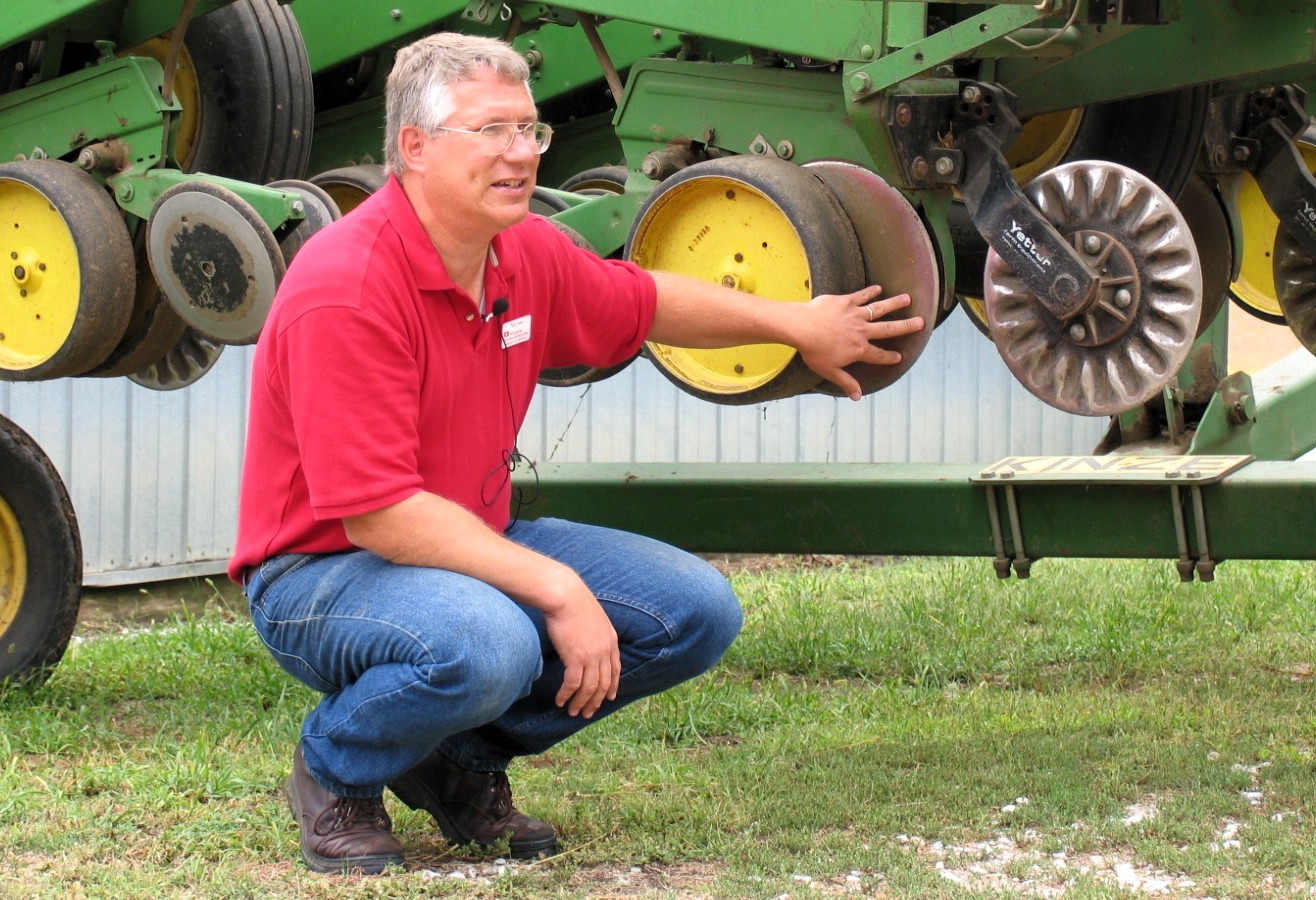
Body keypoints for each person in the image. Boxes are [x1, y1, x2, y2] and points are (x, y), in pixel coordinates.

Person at [227, 31, 922, 875]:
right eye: (491, 131)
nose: (520, 154)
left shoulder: (519, 251)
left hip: (465, 544)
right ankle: (335, 766)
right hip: (323, 571)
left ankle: (450, 761)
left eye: (530, 131)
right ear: (414, 147)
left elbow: (643, 297)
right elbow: (380, 514)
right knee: (491, 645)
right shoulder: (348, 287)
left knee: (693, 614)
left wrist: (797, 323)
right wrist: (557, 588)